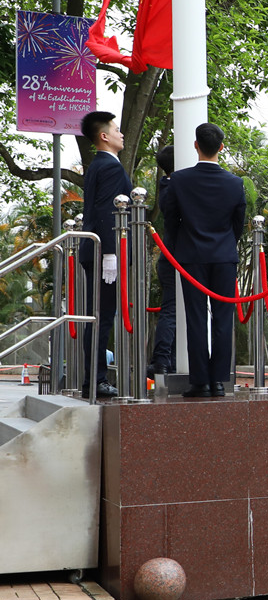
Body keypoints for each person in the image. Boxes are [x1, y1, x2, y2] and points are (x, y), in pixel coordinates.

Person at [159, 123, 246, 398]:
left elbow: (170, 220)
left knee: (195, 318)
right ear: (221, 147)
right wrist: (226, 243)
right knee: (223, 319)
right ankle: (219, 381)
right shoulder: (235, 183)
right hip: (224, 257)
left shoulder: (179, 180)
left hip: (191, 255)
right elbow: (238, 224)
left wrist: (181, 246)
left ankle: (200, 382)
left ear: (196, 145)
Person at [77, 111, 132, 398]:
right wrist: (111, 252)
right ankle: (96, 379)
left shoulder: (100, 164)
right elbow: (106, 210)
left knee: (99, 315)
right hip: (104, 253)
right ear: (104, 136)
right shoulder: (110, 167)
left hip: (97, 250)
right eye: (116, 129)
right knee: (102, 316)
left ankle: (93, 378)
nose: (121, 134)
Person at [147, 145, 177, 377]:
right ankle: (162, 360)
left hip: (172, 256)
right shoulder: (171, 186)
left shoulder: (168, 185)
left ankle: (170, 360)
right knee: (171, 310)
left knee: (174, 311)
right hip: (174, 257)